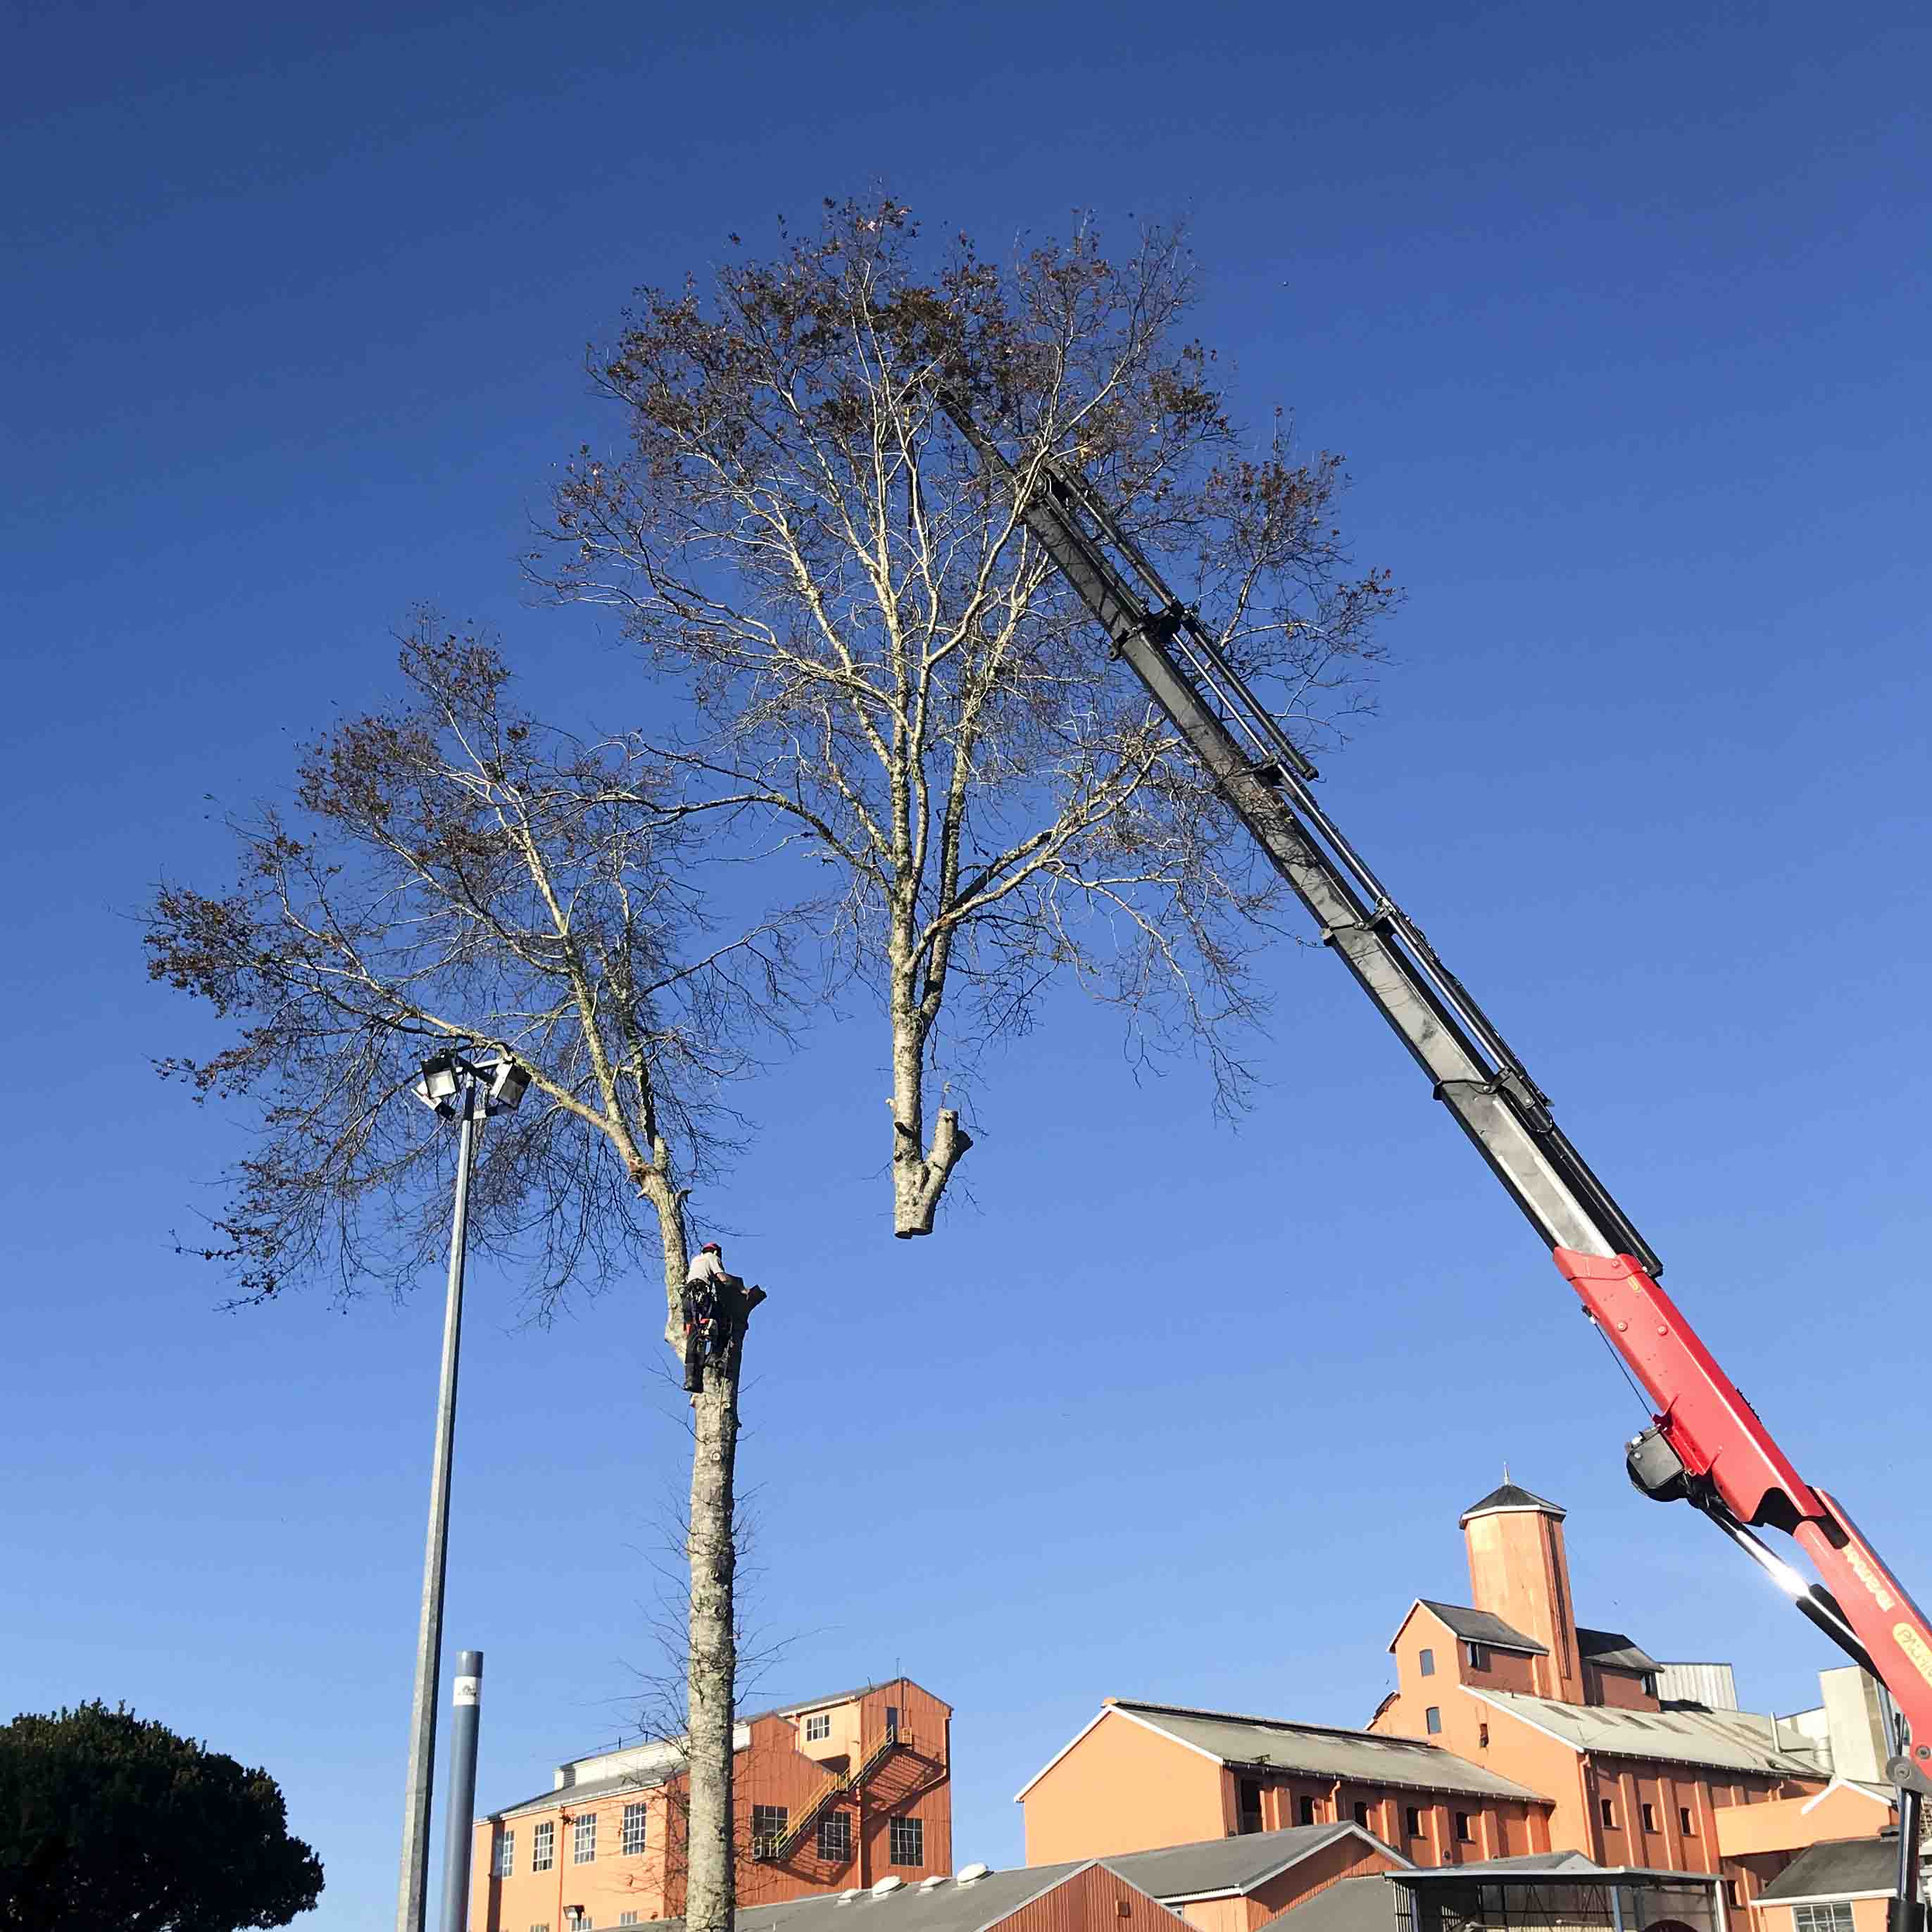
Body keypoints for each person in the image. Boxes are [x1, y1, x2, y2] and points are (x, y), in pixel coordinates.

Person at [681, 1241, 766, 1393]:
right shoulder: (712, 1258)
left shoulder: (696, 1261)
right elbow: (723, 1278)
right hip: (700, 1297)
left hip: (688, 1300)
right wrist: (743, 1289)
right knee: (723, 1322)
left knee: (693, 1338)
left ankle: (691, 1379)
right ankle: (715, 1357)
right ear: (715, 1252)